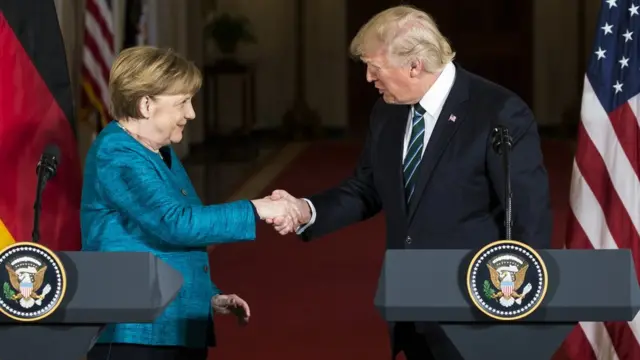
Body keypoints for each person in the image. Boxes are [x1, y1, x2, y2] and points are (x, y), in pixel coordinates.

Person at [265, 5, 552, 360]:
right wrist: (304, 210)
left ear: (415, 65)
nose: (369, 78)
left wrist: (519, 312)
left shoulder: (499, 112)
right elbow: (366, 188)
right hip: (410, 305)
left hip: (477, 311)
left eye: (375, 66)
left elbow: (529, 219)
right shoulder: (387, 110)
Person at [81, 46, 298, 360]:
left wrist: (204, 297)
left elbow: (159, 241)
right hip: (135, 333)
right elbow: (177, 223)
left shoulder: (159, 150)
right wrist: (258, 208)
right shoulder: (117, 153)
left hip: (173, 325)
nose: (191, 113)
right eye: (182, 102)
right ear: (145, 104)